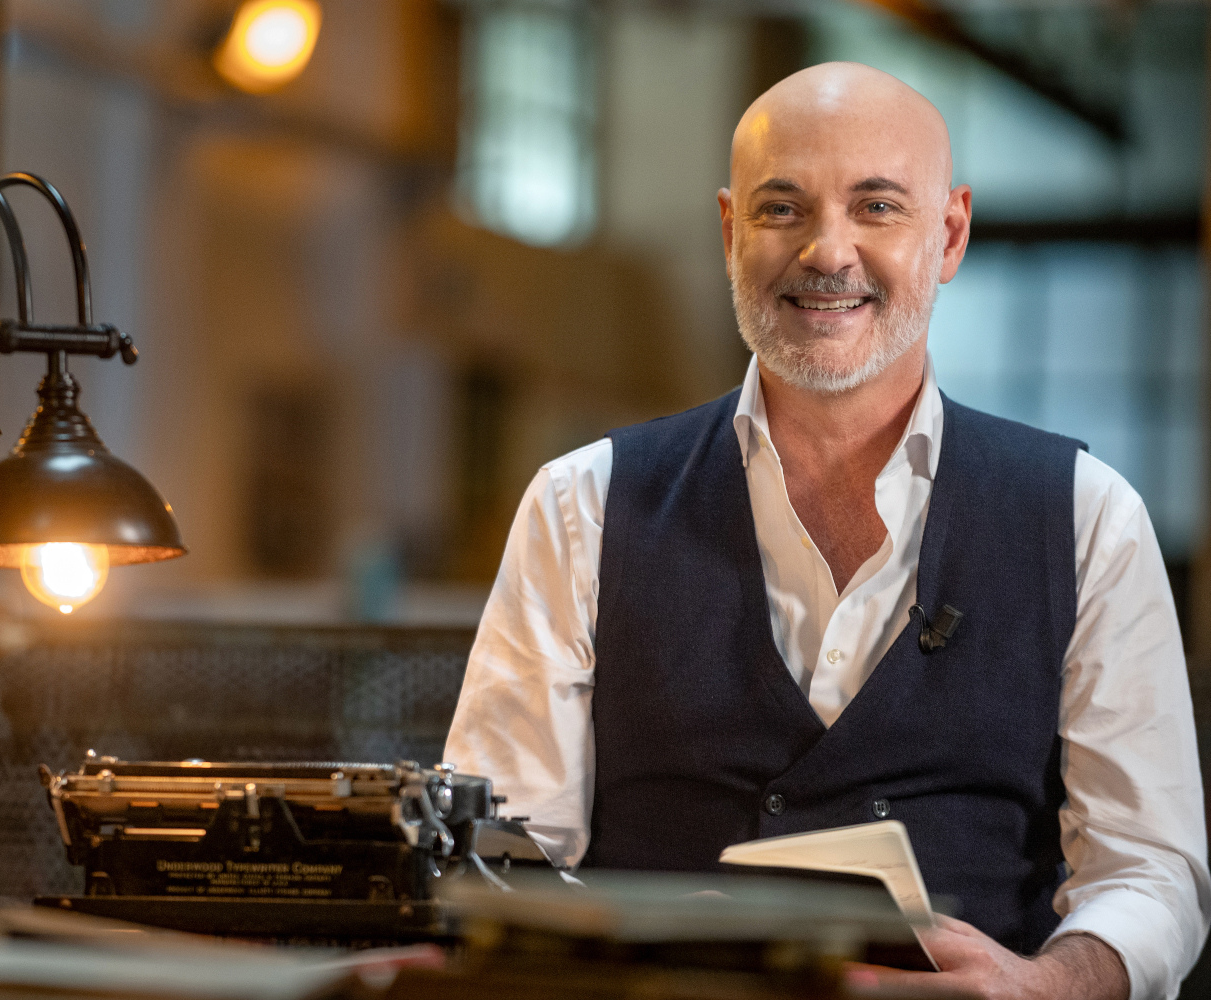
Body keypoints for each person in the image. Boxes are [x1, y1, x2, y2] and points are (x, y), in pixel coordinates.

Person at [443, 62, 1210, 1000]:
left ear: (949, 234)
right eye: (782, 209)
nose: (826, 252)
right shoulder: (583, 502)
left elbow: (1148, 872)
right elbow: (501, 852)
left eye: (877, 206)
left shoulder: (1089, 516)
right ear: (730, 232)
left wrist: (1044, 987)